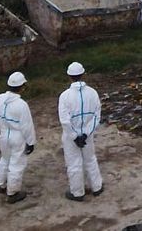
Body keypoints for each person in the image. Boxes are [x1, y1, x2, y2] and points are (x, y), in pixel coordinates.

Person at [57, 61, 103, 201]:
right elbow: (97, 116)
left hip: (71, 137)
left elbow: (64, 120)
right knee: (90, 159)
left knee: (74, 163)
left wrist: (74, 136)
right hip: (87, 135)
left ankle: (77, 193)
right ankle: (97, 187)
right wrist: (85, 134)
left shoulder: (65, 96)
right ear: (83, 75)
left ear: (69, 76)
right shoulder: (93, 93)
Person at [0, 71, 36, 203]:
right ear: (22, 86)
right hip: (17, 137)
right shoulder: (21, 104)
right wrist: (31, 142)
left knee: (5, 160)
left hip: (4, 134)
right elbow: (27, 126)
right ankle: (13, 192)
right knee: (17, 164)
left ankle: (1, 184)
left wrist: (2, 129)